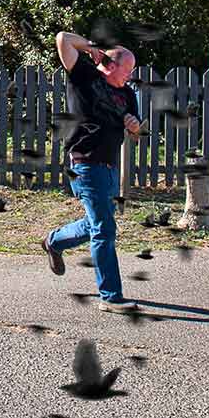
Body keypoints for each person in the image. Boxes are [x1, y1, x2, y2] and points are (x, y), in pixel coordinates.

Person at [40, 30, 144, 313]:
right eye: (127, 69)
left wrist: (135, 127)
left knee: (95, 224)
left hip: (109, 167)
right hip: (84, 163)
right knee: (104, 228)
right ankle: (110, 296)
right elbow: (62, 38)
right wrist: (91, 48)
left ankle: (53, 240)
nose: (130, 76)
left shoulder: (127, 94)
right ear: (110, 65)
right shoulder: (84, 76)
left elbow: (135, 128)